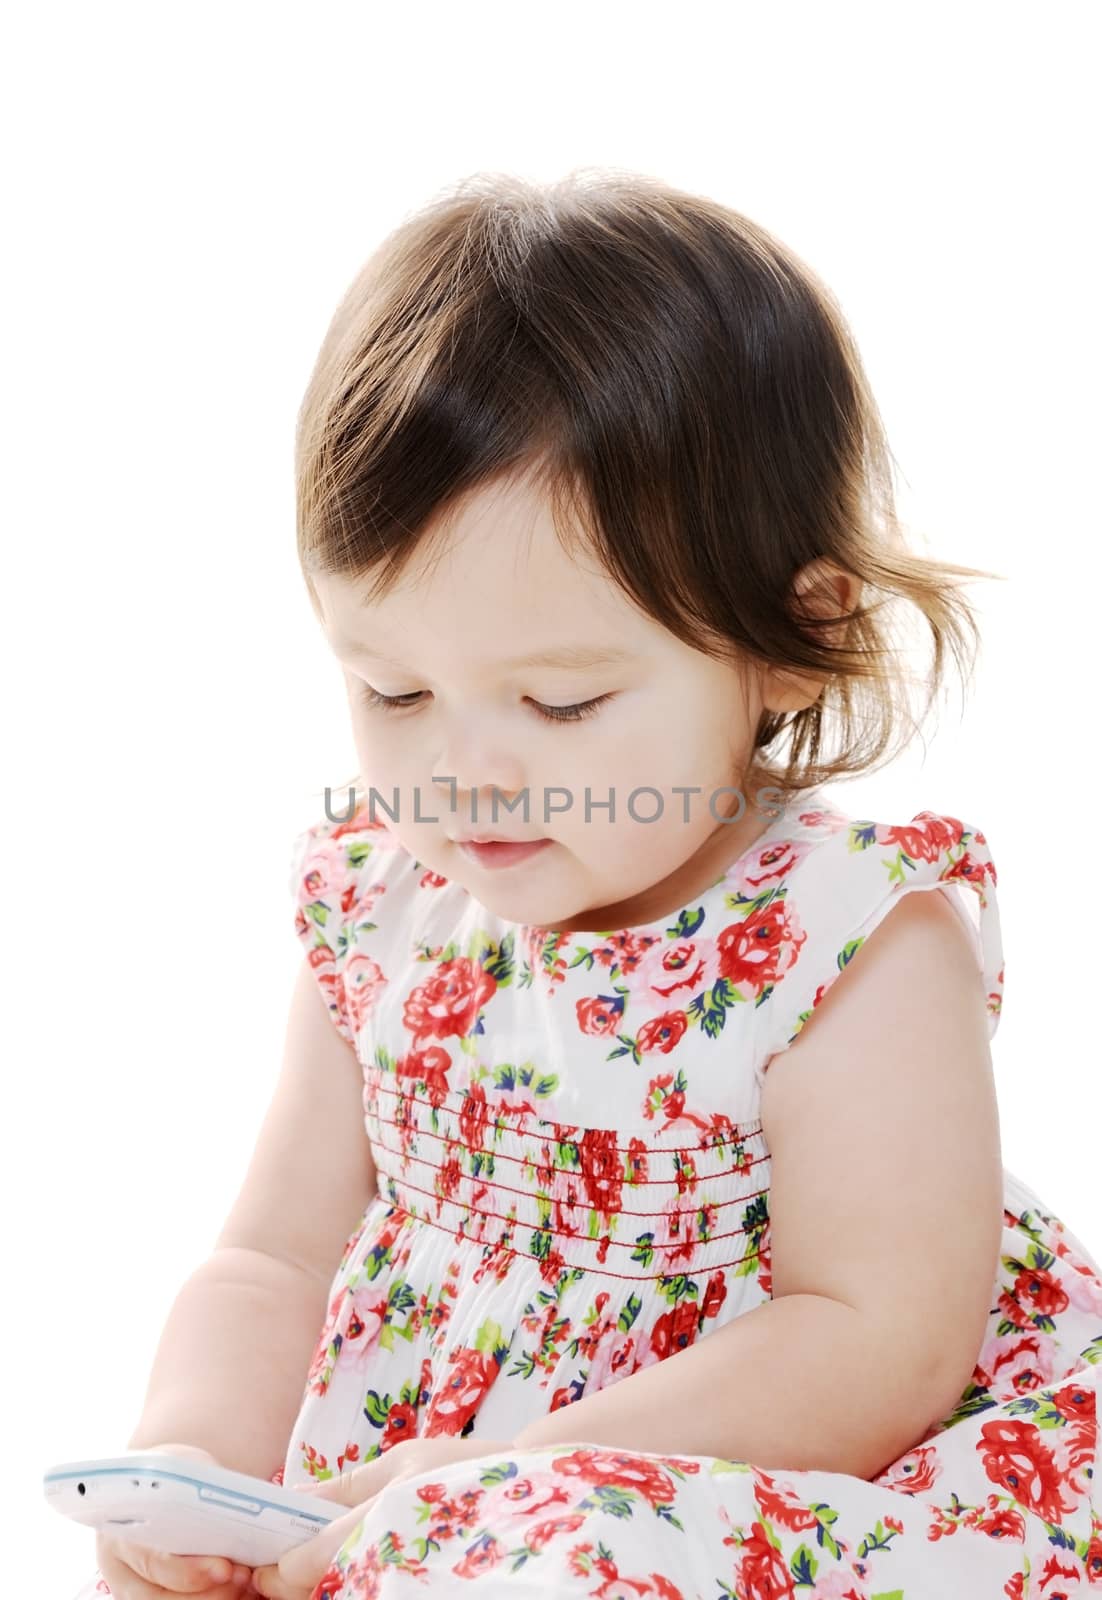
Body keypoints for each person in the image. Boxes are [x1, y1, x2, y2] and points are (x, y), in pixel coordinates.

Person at [75, 170, 1102, 1600]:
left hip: (770, 1469)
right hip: (432, 1493)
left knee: (556, 1558)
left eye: (559, 704)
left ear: (791, 644)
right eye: (394, 688)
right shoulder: (385, 911)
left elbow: (873, 1338)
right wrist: (193, 1456)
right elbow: (268, 1254)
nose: (461, 776)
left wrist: (527, 1471)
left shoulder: (846, 940)